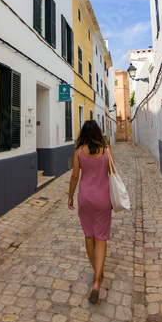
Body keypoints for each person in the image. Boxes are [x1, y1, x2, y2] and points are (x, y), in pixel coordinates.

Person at [68, 120, 116, 304]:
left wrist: (70, 196)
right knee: (101, 237)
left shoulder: (79, 152)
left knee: (89, 236)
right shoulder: (106, 150)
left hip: (85, 199)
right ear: (98, 133)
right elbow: (112, 174)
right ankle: (97, 280)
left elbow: (74, 176)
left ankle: (97, 269)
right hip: (103, 199)